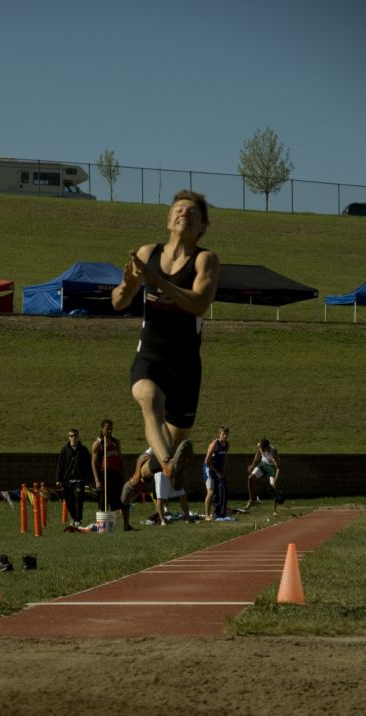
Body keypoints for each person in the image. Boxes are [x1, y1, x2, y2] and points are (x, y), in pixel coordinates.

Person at [112, 190, 220, 504]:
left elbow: (198, 304)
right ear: (168, 220)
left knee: (171, 442)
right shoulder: (147, 254)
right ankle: (170, 466)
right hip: (150, 355)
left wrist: (156, 282)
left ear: (202, 226)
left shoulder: (205, 260)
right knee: (148, 400)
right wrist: (128, 283)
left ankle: (139, 477)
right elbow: (119, 302)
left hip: (185, 364)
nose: (183, 213)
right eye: (178, 209)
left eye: (192, 212)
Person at [91, 419, 134, 531]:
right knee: (103, 502)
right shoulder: (98, 443)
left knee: (124, 499)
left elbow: (120, 460)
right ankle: (103, 527)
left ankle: (126, 526)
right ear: (102, 429)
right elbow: (93, 463)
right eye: (107, 428)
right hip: (104, 475)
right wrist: (97, 480)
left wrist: (124, 477)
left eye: (111, 428)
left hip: (116, 474)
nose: (109, 431)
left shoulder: (116, 442)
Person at [55, 429, 93, 526]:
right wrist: (58, 479)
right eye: (71, 436)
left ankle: (78, 519)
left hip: (80, 480)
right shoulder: (65, 450)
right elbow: (60, 465)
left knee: (78, 498)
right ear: (69, 437)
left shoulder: (83, 450)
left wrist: (89, 479)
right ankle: (73, 517)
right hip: (67, 480)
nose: (73, 438)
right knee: (68, 500)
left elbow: (88, 465)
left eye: (75, 435)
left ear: (78, 437)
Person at [246, 438, 282, 513]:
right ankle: (252, 500)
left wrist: (275, 480)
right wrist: (252, 465)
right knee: (250, 478)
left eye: (263, 448)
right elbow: (258, 454)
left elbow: (278, 468)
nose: (261, 450)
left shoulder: (273, 451)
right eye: (260, 448)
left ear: (267, 447)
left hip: (272, 468)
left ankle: (275, 510)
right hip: (263, 465)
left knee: (273, 487)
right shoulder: (260, 446)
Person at [203, 426, 230, 521]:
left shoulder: (226, 444)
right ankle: (207, 515)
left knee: (219, 491)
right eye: (224, 434)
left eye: (227, 434)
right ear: (220, 434)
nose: (225, 436)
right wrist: (217, 472)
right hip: (209, 468)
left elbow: (225, 458)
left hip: (218, 470)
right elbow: (207, 461)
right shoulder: (215, 444)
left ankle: (218, 511)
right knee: (210, 491)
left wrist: (223, 471)